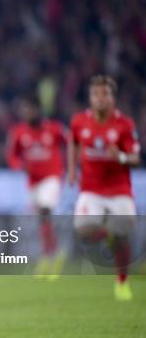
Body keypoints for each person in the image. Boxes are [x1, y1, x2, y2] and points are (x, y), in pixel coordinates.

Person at [68, 75, 141, 301]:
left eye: (105, 94)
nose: (100, 99)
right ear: (90, 98)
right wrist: (71, 168)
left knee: (124, 233)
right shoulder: (80, 121)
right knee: (83, 229)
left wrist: (119, 156)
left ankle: (122, 282)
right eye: (96, 94)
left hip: (119, 189)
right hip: (90, 188)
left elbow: (135, 158)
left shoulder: (124, 124)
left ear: (112, 98)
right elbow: (74, 141)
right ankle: (108, 233)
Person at [6, 95, 66, 279]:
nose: (27, 113)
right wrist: (19, 166)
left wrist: (73, 167)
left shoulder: (54, 129)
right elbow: (12, 156)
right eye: (25, 110)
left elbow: (71, 142)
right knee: (42, 218)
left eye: (30, 109)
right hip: (33, 182)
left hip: (52, 178)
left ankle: (51, 255)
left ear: (39, 110)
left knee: (45, 210)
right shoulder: (18, 132)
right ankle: (51, 254)